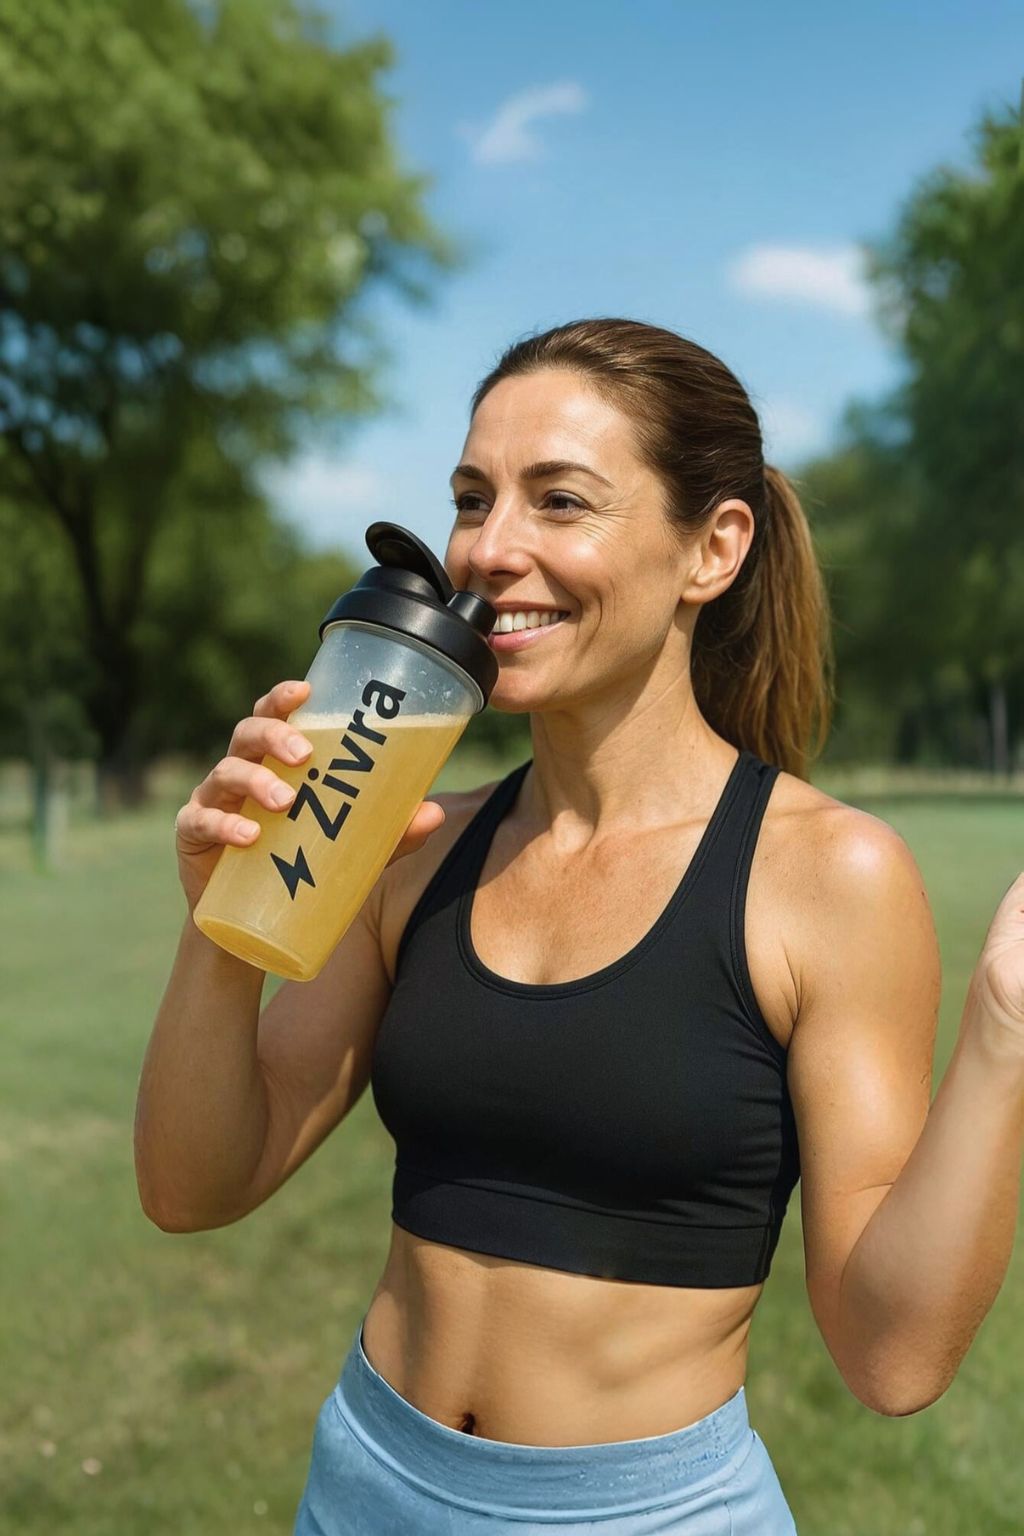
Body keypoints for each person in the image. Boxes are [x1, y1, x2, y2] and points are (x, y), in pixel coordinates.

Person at [137, 316, 951, 1533]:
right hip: (362, 1483)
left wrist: (1004, 1025)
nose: (488, 551)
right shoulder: (413, 847)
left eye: (559, 502)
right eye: (473, 498)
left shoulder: (827, 875)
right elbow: (193, 1186)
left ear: (711, 549)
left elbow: (890, 1357)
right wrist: (224, 926)